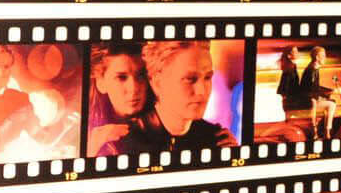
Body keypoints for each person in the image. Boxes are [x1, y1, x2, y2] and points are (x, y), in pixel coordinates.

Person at [107, 40, 237, 156]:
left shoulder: (218, 140)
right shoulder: (122, 141)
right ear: (157, 82)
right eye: (189, 79)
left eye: (207, 77)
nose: (201, 91)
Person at [86, 45, 153, 156]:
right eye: (121, 77)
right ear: (101, 83)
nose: (134, 88)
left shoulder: (165, 124)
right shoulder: (86, 130)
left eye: (140, 76)